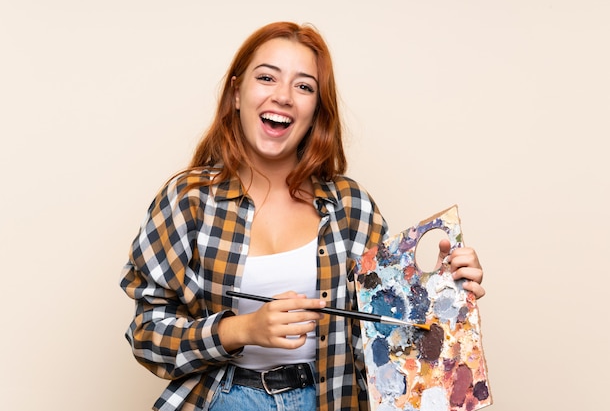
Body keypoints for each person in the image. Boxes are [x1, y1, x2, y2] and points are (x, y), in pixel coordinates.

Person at [120, 21, 486, 411]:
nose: (283, 96)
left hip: (330, 400)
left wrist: (445, 294)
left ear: (316, 110)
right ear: (237, 93)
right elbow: (146, 335)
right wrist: (242, 328)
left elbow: (393, 342)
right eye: (266, 77)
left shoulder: (352, 207)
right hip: (224, 400)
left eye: (304, 86)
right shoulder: (188, 200)